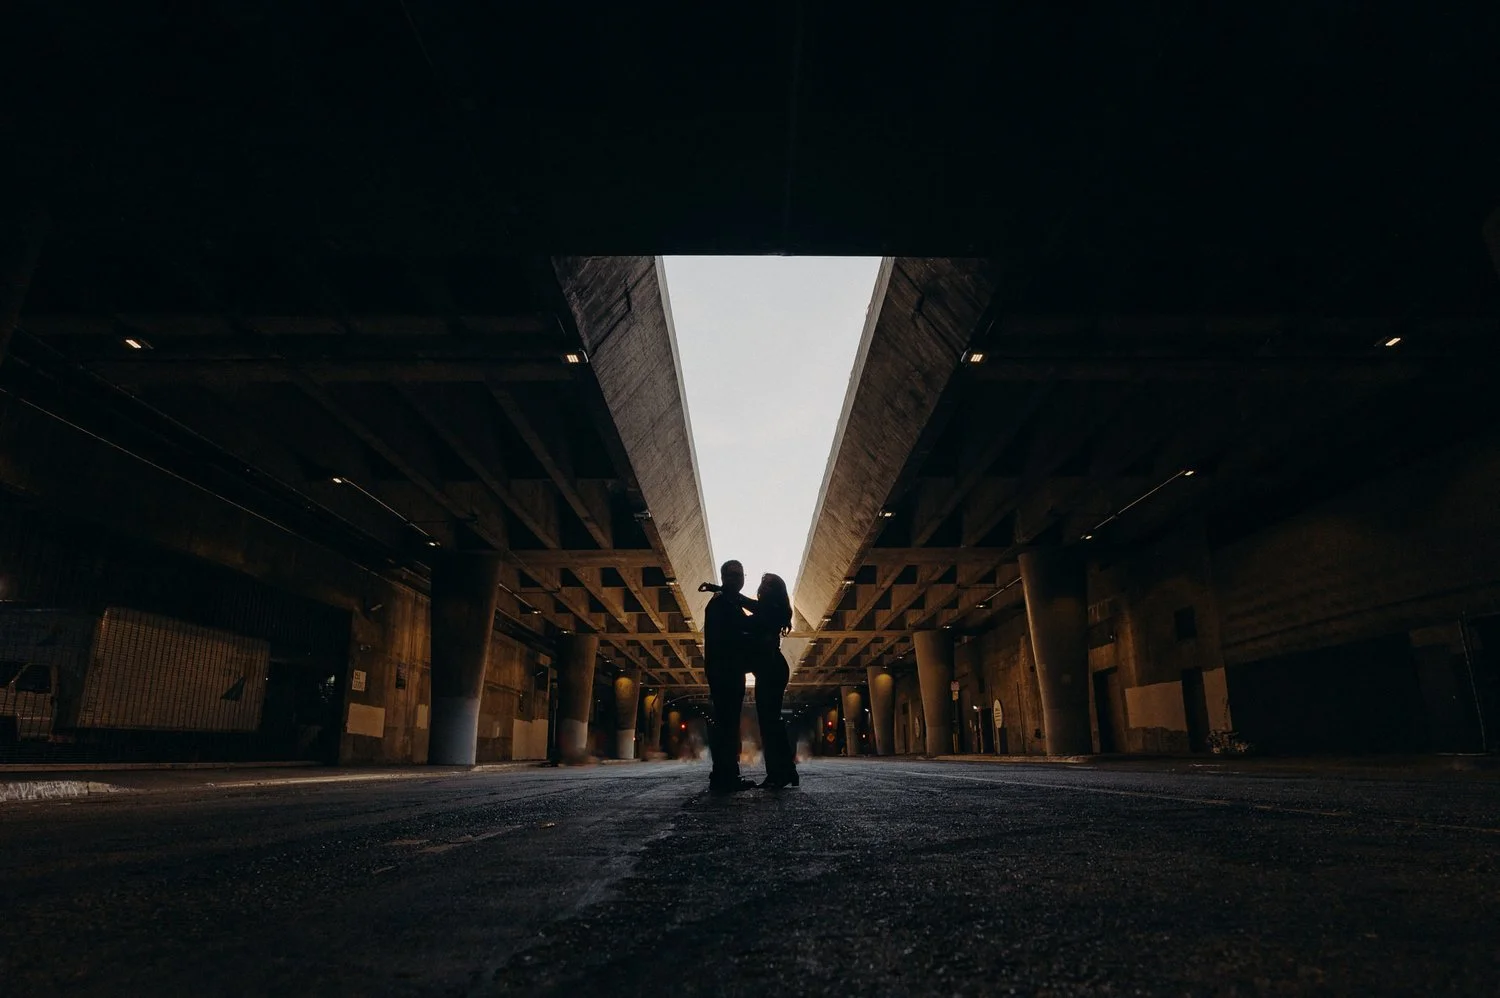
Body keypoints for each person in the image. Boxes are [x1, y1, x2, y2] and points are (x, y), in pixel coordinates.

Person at [701, 572, 800, 790]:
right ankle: (786, 772)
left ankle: (780, 774)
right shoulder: (768, 608)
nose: (762, 586)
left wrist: (723, 595)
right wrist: (719, 588)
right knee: (771, 723)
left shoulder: (770, 611)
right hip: (770, 670)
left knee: (770, 724)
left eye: (767, 584)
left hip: (771, 671)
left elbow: (744, 619)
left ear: (774, 591)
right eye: (763, 583)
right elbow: (745, 602)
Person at [700, 560, 756, 794]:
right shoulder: (722, 603)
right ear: (724, 578)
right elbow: (741, 627)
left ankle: (724, 773)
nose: (737, 579)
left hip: (727, 670)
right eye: (732, 575)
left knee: (728, 723)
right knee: (727, 723)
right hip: (726, 671)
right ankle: (725, 776)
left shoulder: (726, 600)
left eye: (739, 575)